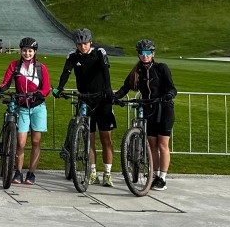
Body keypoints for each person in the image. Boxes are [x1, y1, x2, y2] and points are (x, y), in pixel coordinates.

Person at [114, 39, 176, 190]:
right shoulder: (137, 71)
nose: (145, 56)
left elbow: (172, 88)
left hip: (164, 109)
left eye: (148, 53)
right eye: (142, 53)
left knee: (162, 145)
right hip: (149, 109)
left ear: (153, 53)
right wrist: (115, 97)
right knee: (152, 145)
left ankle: (162, 177)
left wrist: (167, 96)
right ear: (138, 54)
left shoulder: (161, 68)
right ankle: (153, 175)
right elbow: (125, 87)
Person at [57, 28, 115, 187]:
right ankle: (93, 172)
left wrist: (108, 89)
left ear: (90, 42)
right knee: (88, 140)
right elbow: (66, 72)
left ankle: (108, 174)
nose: (83, 46)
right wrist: (59, 88)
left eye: (85, 43)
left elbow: (105, 70)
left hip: (102, 99)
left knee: (106, 140)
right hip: (85, 99)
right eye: (79, 44)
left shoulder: (99, 52)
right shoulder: (72, 56)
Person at [0, 36, 50, 185]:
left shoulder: (41, 68)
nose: (27, 54)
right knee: (20, 142)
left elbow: (46, 88)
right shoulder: (14, 66)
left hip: (37, 107)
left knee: (36, 141)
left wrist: (40, 93)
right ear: (20, 51)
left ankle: (31, 173)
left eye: (30, 51)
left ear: (34, 52)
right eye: (24, 51)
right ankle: (18, 172)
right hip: (22, 107)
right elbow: (6, 83)